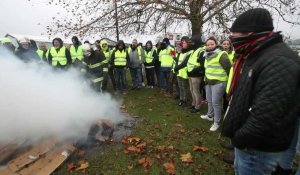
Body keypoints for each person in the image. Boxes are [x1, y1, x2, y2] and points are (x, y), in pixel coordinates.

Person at [221, 8, 300, 175]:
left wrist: (240, 138)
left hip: (258, 149)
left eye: (235, 35)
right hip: (249, 145)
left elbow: (266, 116)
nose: (232, 39)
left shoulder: (278, 60)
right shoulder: (256, 54)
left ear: (251, 33)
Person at [200, 37, 231, 131]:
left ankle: (216, 122)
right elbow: (208, 68)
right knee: (209, 100)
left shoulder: (221, 54)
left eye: (212, 44)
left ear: (216, 44)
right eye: (208, 44)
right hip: (209, 82)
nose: (209, 46)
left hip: (219, 82)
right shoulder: (207, 54)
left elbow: (229, 68)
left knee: (216, 103)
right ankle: (210, 116)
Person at [186, 35, 206, 113]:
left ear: (196, 42)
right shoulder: (194, 50)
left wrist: (193, 71)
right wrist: (190, 72)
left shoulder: (201, 51)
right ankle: (193, 104)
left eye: (192, 42)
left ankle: (197, 107)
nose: (191, 43)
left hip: (196, 75)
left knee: (196, 91)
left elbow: (202, 65)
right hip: (191, 74)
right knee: (192, 90)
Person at [174, 36, 194, 107]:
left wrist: (177, 68)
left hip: (185, 72)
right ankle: (181, 100)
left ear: (188, 43)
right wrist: (175, 59)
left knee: (185, 88)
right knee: (180, 87)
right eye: (182, 43)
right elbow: (179, 61)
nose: (183, 44)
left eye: (184, 43)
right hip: (179, 72)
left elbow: (185, 63)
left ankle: (185, 101)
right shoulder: (181, 52)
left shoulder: (190, 52)